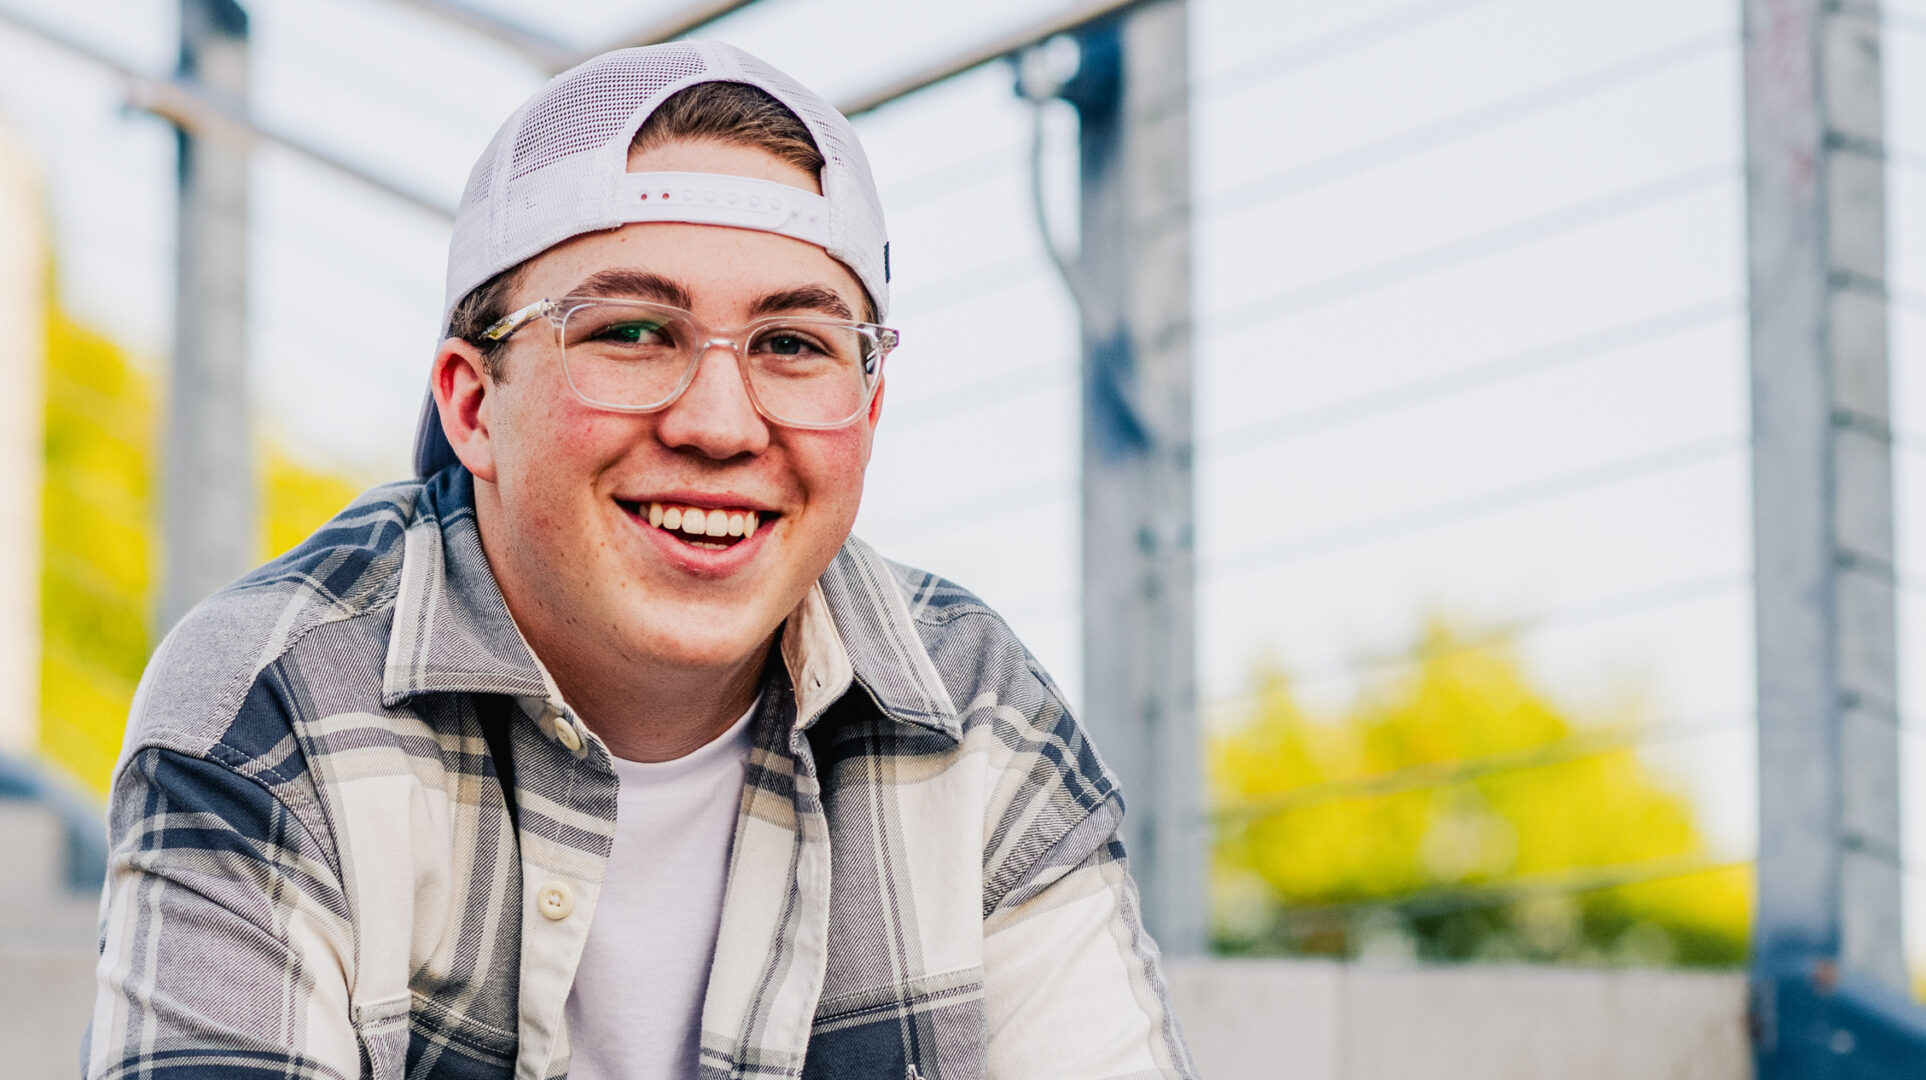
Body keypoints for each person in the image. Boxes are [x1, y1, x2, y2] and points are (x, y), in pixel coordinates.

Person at [87, 41, 1195, 1080]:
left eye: (793, 346)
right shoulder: (272, 702)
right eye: (630, 332)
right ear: (474, 407)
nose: (721, 423)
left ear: (868, 405)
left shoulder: (978, 714)